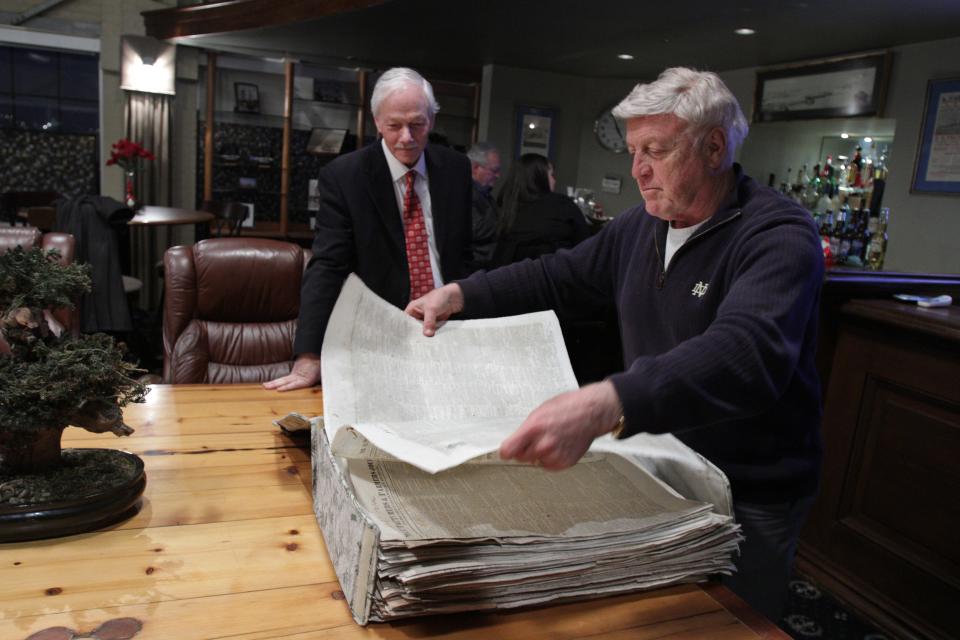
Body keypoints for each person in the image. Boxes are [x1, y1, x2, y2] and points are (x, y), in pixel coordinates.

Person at [406, 67, 824, 622]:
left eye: (655, 149)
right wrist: (459, 293)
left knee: (733, 623)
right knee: (660, 616)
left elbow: (745, 351)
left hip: (750, 486)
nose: (638, 170)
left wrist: (608, 402)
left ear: (715, 147)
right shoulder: (639, 226)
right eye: (634, 150)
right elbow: (557, 276)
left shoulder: (779, 235)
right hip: (662, 463)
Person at [265, 67, 472, 392]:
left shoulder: (456, 169)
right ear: (377, 122)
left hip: (449, 327)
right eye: (394, 125)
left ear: (431, 120)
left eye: (417, 124)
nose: (407, 136)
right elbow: (328, 267)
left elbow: (469, 252)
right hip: (380, 332)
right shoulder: (346, 177)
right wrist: (309, 353)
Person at [493, 153, 590, 266]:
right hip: (552, 276)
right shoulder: (562, 205)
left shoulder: (506, 207)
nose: (555, 180)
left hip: (509, 278)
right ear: (539, 177)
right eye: (552, 175)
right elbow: (586, 247)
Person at [466, 142, 502, 270]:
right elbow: (475, 230)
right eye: (494, 170)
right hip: (474, 268)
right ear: (476, 168)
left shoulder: (484, 193)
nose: (498, 175)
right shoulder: (464, 192)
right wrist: (505, 221)